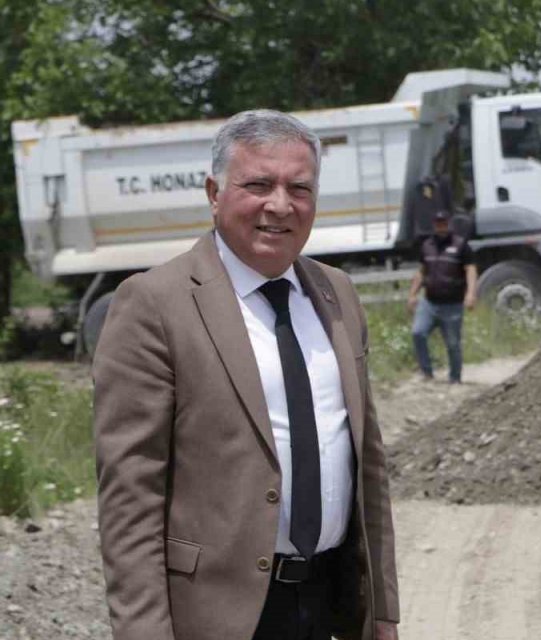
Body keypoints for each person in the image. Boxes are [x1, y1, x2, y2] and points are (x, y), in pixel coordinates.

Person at [93, 110, 398, 640]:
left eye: (299, 188)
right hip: (220, 616)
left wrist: (384, 613)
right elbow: (130, 495)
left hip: (335, 606)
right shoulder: (155, 305)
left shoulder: (338, 295)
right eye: (258, 184)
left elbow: (368, 466)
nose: (280, 205)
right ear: (214, 192)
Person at [406, 210, 477, 383]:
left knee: (453, 343)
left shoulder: (460, 245)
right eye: (438, 223)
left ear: (449, 223)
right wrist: (412, 294)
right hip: (429, 302)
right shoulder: (427, 245)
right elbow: (422, 272)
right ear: (434, 224)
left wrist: (471, 293)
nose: (441, 226)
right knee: (418, 333)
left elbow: (471, 269)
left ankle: (455, 377)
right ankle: (427, 373)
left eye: (444, 223)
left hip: (452, 304)